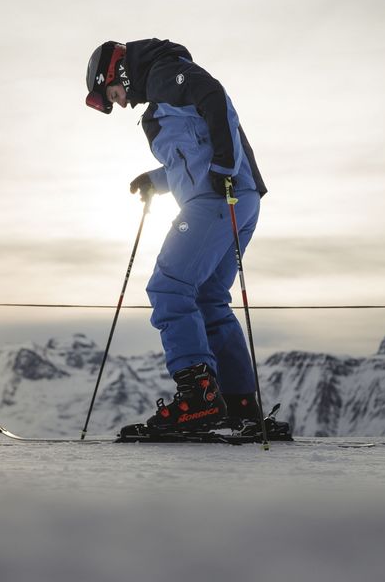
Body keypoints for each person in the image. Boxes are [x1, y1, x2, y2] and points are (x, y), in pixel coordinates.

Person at [85, 38, 268, 433]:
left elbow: (215, 97)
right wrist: (155, 179)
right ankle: (240, 406)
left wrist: (222, 168)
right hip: (240, 197)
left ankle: (198, 401)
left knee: (169, 288)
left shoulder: (166, 74)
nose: (118, 103)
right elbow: (191, 159)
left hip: (217, 198)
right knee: (208, 299)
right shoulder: (165, 95)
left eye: (112, 94)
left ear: (116, 72)